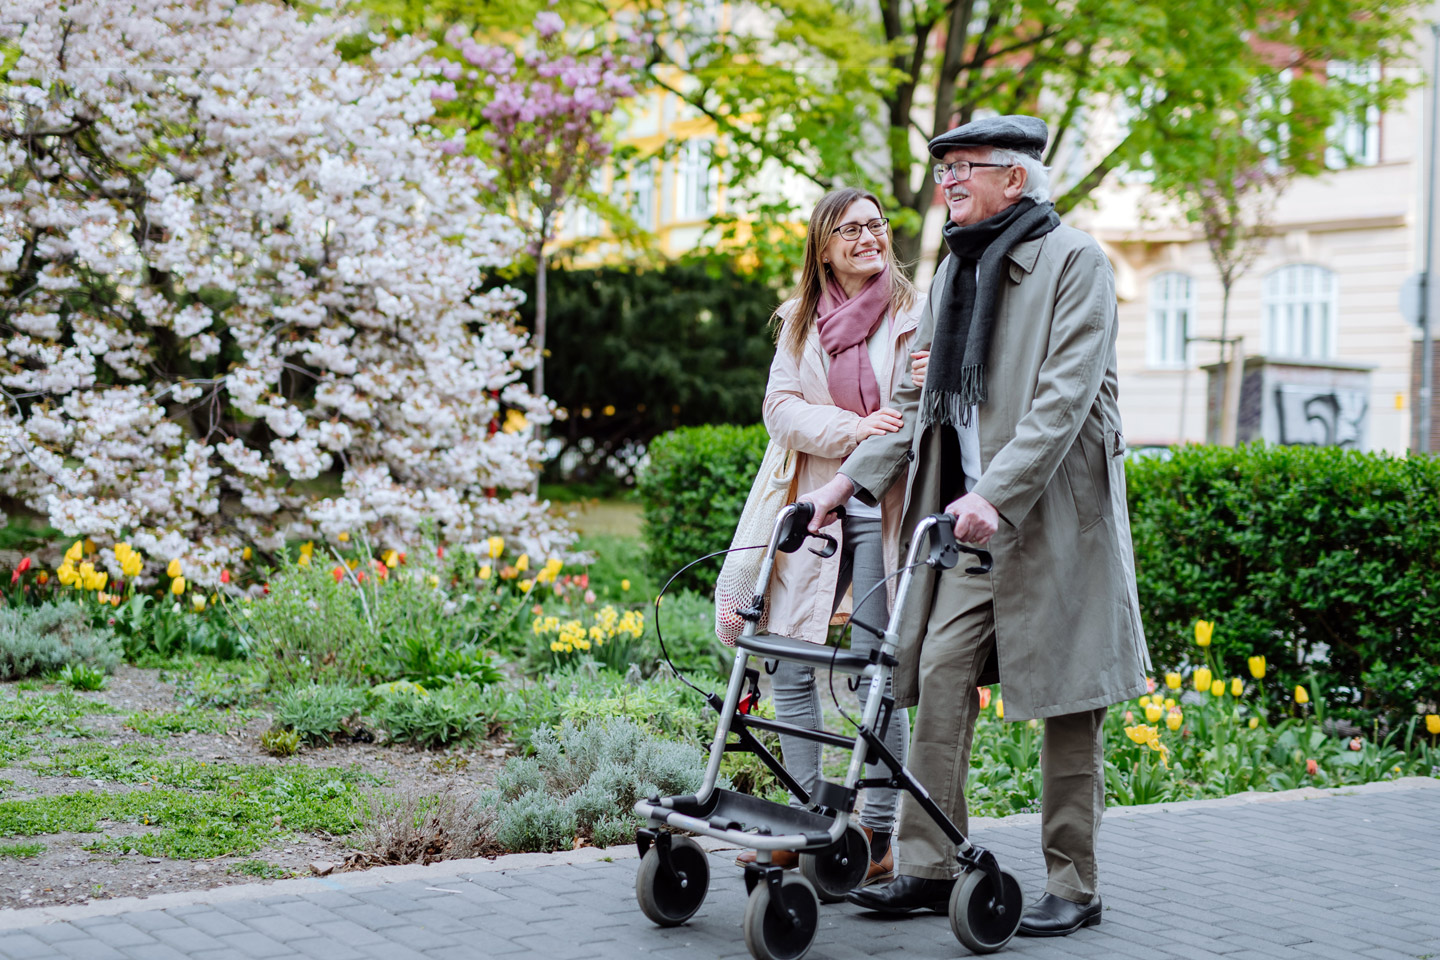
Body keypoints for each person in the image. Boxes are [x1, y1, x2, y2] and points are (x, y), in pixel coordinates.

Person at [799, 115, 1151, 937]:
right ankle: (926, 865)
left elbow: (1064, 400)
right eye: (943, 170)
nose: (947, 182)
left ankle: (1075, 880)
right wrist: (847, 481)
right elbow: (922, 403)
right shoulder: (957, 274)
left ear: (1014, 180)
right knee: (940, 678)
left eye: (964, 168)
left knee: (1071, 703)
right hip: (967, 526)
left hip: (1056, 525)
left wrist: (996, 491)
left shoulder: (1077, 263)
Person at [739, 187, 925, 885]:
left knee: (880, 671)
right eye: (851, 228)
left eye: (877, 225)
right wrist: (853, 428)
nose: (869, 237)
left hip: (886, 506)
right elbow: (781, 412)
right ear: (823, 245)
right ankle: (802, 818)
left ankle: (875, 837)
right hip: (814, 504)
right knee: (787, 658)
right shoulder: (797, 323)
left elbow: (918, 411)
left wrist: (879, 432)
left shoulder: (914, 314)